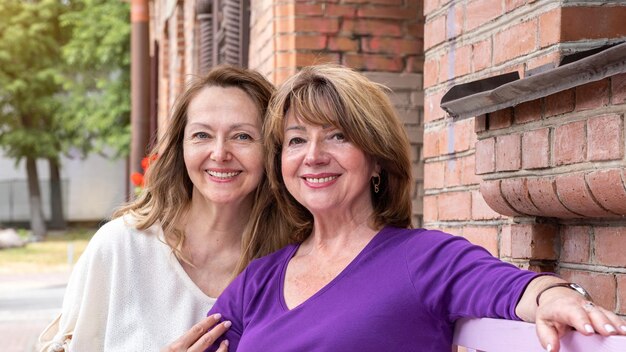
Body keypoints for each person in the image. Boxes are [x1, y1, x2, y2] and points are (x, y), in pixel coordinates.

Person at [206, 64, 626, 352]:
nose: (313, 156)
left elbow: (509, 288)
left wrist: (556, 296)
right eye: (296, 140)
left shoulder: (422, 259)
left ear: (376, 158)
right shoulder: (258, 281)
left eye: (337, 136)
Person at [38, 65, 291, 352]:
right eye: (202, 135)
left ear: (272, 149)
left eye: (242, 136)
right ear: (180, 147)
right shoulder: (121, 249)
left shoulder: (293, 262)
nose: (220, 153)